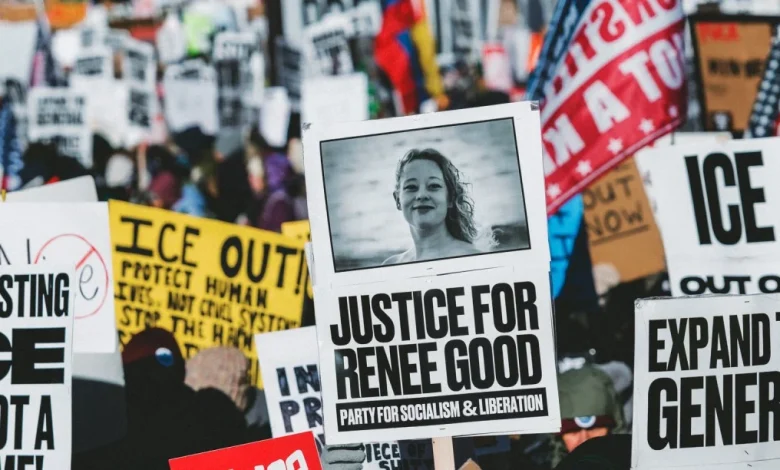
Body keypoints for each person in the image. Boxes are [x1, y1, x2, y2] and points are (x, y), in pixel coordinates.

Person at [383, 148, 482, 265]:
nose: (421, 195)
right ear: (397, 200)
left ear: (450, 198)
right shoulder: (390, 264)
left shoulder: (472, 259)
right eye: (411, 187)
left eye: (433, 186)